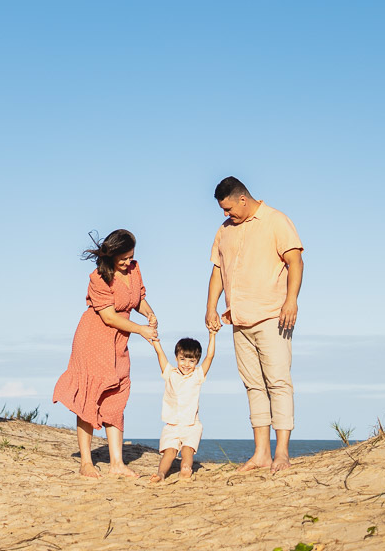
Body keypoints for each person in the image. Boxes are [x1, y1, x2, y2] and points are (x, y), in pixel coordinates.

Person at [205, 176, 303, 474]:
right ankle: (261, 453)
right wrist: (210, 307)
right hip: (239, 319)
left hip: (273, 315)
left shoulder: (276, 220)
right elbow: (218, 271)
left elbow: (296, 261)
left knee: (278, 382)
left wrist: (291, 300)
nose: (226, 214)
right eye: (223, 210)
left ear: (243, 199)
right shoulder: (224, 230)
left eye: (229, 208)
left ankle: (282, 453)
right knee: (254, 385)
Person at [53, 228, 158, 478]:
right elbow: (109, 317)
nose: (127, 262)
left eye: (130, 257)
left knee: (117, 396)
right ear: (111, 255)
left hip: (119, 341)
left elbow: (138, 299)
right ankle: (86, 463)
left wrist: (150, 314)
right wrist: (141, 330)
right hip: (94, 339)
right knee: (90, 396)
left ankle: (117, 464)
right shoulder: (98, 278)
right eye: (123, 258)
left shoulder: (134, 269)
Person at [148, 330, 216, 482]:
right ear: (176, 358)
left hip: (191, 425)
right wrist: (155, 341)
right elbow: (160, 354)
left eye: (191, 361)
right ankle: (161, 474)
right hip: (172, 425)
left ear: (197, 362)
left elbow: (210, 356)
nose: (186, 364)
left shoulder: (197, 376)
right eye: (182, 359)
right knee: (169, 452)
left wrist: (212, 335)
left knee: (187, 450)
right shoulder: (170, 373)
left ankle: (185, 469)